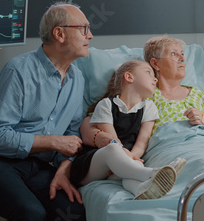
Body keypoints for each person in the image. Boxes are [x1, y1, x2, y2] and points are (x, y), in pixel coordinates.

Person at [0, 2, 92, 221]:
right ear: (59, 33)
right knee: (32, 214)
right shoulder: (19, 71)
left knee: (74, 212)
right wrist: (53, 142)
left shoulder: (77, 79)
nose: (90, 36)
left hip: (37, 165)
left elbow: (72, 135)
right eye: (84, 28)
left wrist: (64, 168)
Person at [71, 60, 185, 200]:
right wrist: (125, 159)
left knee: (135, 164)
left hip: (122, 164)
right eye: (148, 72)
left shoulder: (149, 108)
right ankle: (153, 173)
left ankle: (142, 190)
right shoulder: (106, 104)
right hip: (93, 165)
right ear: (129, 77)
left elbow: (142, 142)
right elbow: (112, 139)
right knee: (113, 148)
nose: (155, 78)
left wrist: (129, 160)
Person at [144, 36, 204, 135]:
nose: (182, 59)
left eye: (182, 54)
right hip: (174, 147)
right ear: (155, 64)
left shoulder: (196, 94)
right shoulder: (147, 96)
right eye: (173, 54)